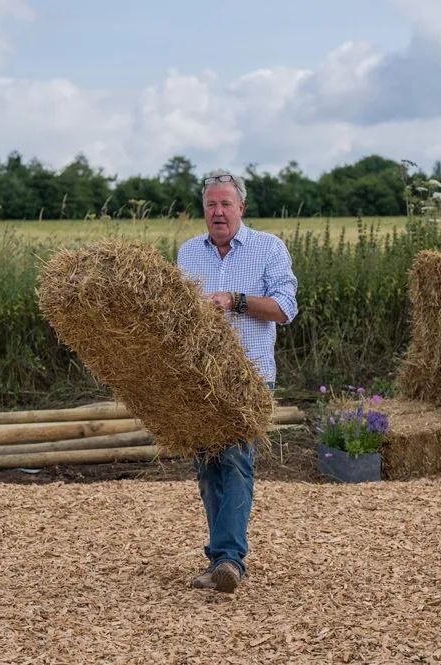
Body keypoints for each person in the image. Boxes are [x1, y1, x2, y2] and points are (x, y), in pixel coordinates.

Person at [176, 168, 298, 594]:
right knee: (207, 468)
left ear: (241, 208)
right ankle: (220, 560)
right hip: (199, 382)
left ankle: (230, 558)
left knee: (235, 460)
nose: (218, 212)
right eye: (211, 204)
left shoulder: (269, 248)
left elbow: (285, 308)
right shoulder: (188, 254)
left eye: (226, 204)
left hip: (249, 378)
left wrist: (236, 301)